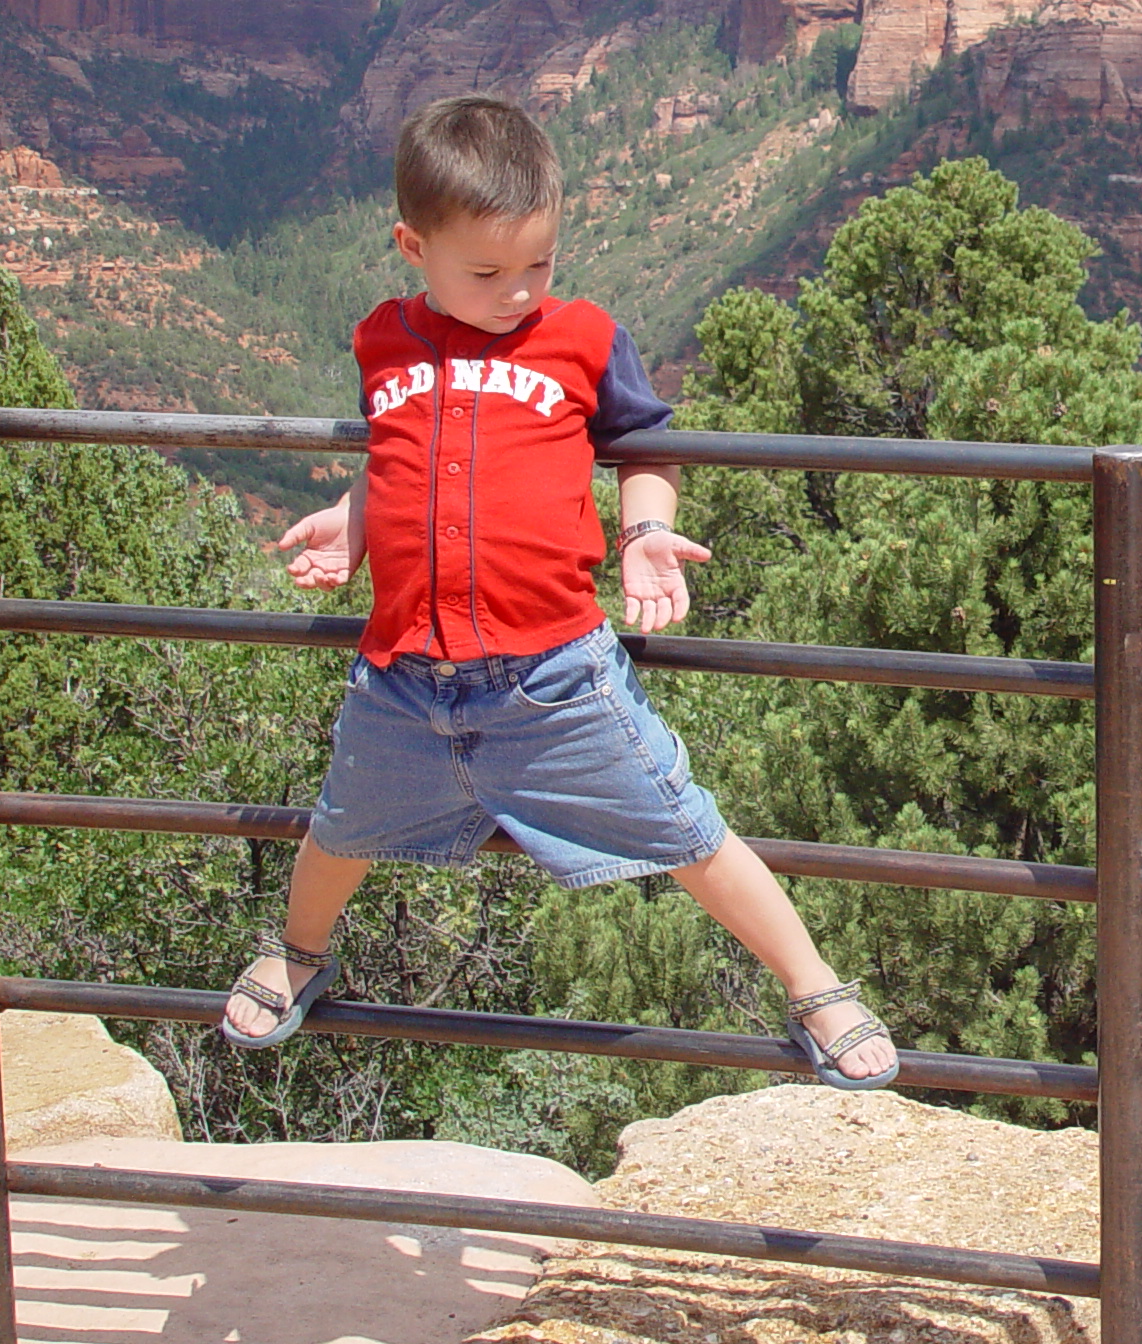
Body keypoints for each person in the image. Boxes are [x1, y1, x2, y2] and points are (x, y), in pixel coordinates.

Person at [219, 94, 897, 1090]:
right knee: (339, 828)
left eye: (539, 263)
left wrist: (646, 532)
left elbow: (642, 447)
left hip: (553, 678)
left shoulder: (581, 337)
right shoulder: (384, 343)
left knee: (685, 830)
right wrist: (352, 521)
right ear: (412, 244)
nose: (517, 291)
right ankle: (298, 952)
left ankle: (815, 987)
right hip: (403, 676)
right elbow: (408, 460)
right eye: (486, 271)